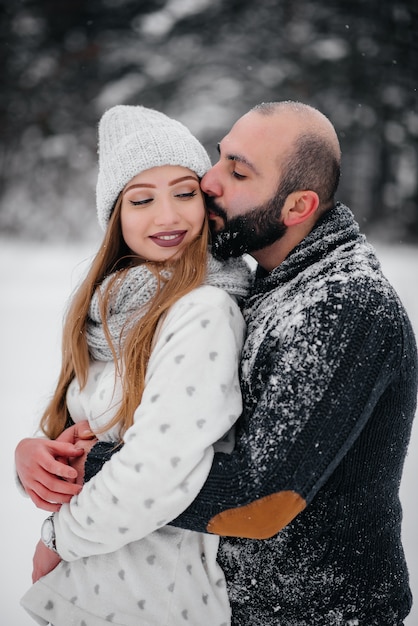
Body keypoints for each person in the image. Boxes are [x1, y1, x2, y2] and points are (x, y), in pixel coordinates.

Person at [17, 100, 417, 625]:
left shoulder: (343, 304)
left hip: (314, 614)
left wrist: (84, 473)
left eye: (237, 170)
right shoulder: (257, 284)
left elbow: (260, 499)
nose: (209, 181)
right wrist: (40, 458)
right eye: (220, 156)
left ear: (297, 207)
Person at [16, 104, 251, 626]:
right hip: (91, 590)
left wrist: (59, 538)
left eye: (184, 193)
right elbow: (81, 431)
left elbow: (158, 471)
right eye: (141, 199)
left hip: (156, 597)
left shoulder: (204, 310)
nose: (167, 217)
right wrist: (32, 457)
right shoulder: (112, 311)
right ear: (116, 217)